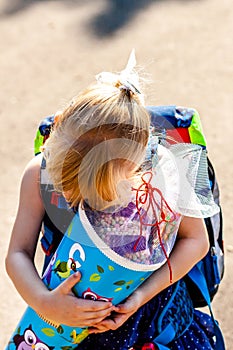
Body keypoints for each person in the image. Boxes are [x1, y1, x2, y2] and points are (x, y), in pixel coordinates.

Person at [5, 53, 221, 350]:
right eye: (65, 183)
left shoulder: (163, 173)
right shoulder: (38, 172)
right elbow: (18, 252)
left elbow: (196, 242)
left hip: (154, 320)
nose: (70, 197)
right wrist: (44, 303)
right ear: (56, 128)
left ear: (136, 165)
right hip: (68, 322)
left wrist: (140, 296)